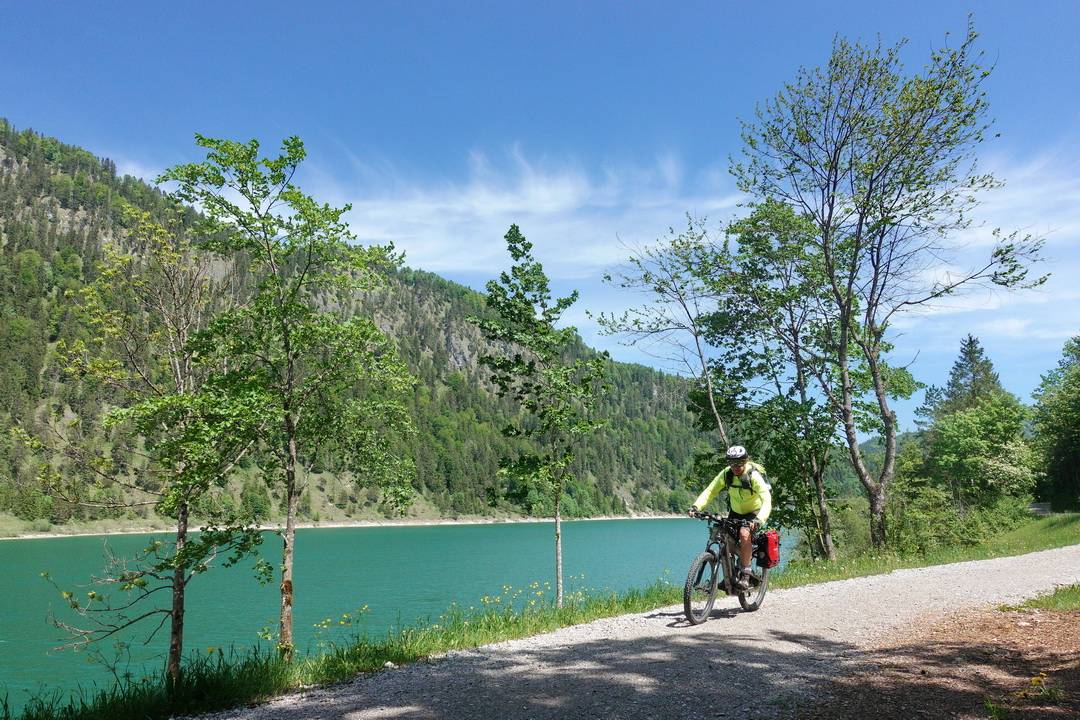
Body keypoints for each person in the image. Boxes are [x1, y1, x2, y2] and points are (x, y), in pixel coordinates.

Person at [688, 445, 772, 590]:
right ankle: (730, 575)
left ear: (745, 461)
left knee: (744, 534)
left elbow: (767, 499)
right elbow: (710, 491)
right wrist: (696, 507)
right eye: (732, 463)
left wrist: (759, 520)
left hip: (754, 512)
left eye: (739, 463)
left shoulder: (753, 476)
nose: (736, 467)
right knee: (724, 536)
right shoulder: (727, 474)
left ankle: (746, 574)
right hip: (735, 511)